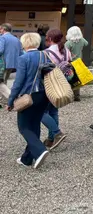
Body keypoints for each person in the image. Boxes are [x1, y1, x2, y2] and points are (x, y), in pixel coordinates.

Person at [7, 33, 51, 169]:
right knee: (34, 124)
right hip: (44, 95)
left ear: (24, 43)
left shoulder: (23, 58)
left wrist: (11, 100)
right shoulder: (45, 55)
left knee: (24, 127)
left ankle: (40, 150)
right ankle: (27, 158)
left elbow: (18, 82)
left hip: (29, 96)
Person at [41, 29, 70, 149]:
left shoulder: (46, 53)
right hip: (62, 83)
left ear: (50, 38)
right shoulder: (66, 50)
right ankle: (51, 139)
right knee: (54, 111)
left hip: (51, 84)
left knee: (41, 112)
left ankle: (56, 133)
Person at [65, 26, 88, 101]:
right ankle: (77, 95)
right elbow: (86, 44)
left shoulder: (68, 43)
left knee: (69, 78)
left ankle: (69, 95)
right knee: (77, 79)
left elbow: (65, 52)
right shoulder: (82, 40)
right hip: (79, 62)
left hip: (70, 63)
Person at [0, 23, 21, 101]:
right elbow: (20, 52)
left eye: (0, 29)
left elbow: (0, 50)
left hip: (3, 63)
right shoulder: (16, 39)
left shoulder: (2, 38)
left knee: (1, 82)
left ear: (4, 29)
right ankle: (2, 98)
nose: (0, 30)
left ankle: (12, 98)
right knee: (4, 81)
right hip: (13, 64)